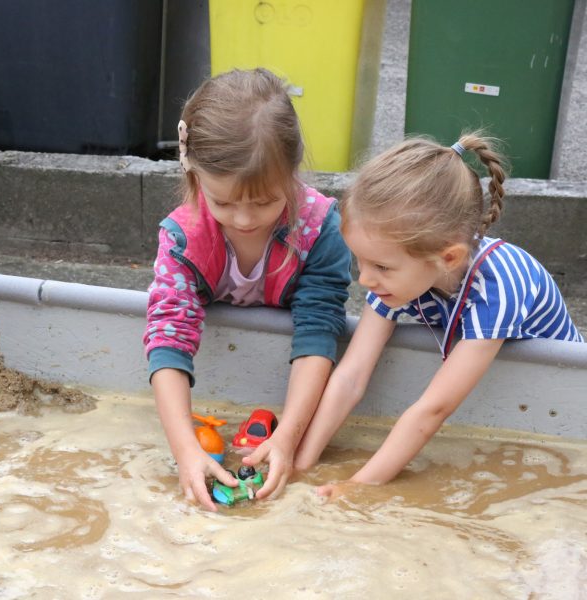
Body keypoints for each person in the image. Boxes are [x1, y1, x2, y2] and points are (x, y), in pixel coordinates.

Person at [293, 132, 584, 496]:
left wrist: (356, 487)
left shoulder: (499, 286)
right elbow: (350, 377)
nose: (364, 279)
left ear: (449, 258)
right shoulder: (403, 277)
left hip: (566, 403)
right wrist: (301, 463)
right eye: (360, 261)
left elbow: (432, 410)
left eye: (380, 266)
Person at [143, 68, 351, 511]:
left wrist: (287, 436)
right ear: (194, 175)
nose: (243, 219)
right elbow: (168, 337)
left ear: (292, 174)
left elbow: (318, 329)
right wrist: (185, 450)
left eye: (264, 201)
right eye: (222, 202)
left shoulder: (319, 230)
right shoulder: (182, 239)